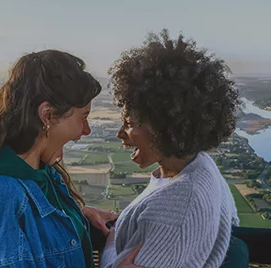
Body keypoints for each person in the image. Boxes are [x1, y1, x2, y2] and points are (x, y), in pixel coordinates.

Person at [0, 49, 115, 268]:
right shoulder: (2, 195)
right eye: (83, 118)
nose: (86, 131)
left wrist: (77, 218)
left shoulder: (41, 175)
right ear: (47, 115)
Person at [100, 30, 243, 268]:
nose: (120, 134)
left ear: (165, 126)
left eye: (130, 124)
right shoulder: (201, 166)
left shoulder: (176, 211)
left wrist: (111, 244)